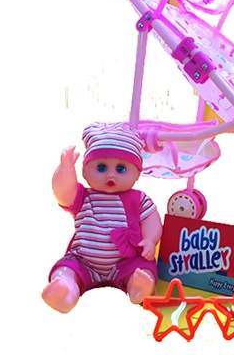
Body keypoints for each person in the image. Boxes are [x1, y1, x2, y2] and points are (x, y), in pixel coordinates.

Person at [42, 122, 162, 313]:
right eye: (101, 167)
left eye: (121, 169)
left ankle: (137, 287)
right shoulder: (82, 196)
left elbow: (151, 220)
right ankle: (66, 290)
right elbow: (62, 193)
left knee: (143, 267)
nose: (111, 175)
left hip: (126, 261)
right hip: (83, 260)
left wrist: (150, 240)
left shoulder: (138, 199)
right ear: (84, 171)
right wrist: (65, 169)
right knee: (66, 268)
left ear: (137, 174)